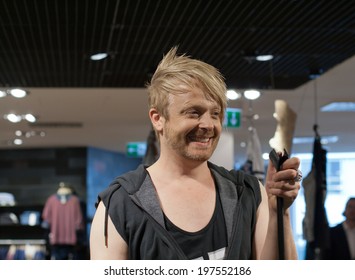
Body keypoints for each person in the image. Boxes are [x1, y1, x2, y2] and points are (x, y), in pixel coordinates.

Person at [90, 47, 301, 260]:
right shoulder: (120, 205)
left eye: (216, 114)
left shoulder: (246, 193)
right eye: (194, 112)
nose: (209, 125)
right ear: (158, 118)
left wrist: (279, 213)